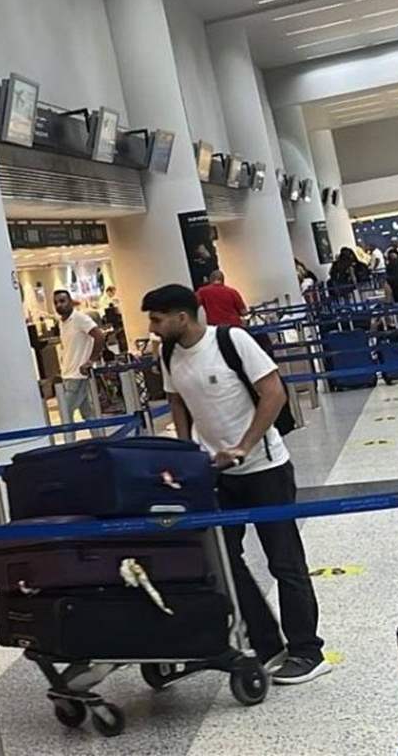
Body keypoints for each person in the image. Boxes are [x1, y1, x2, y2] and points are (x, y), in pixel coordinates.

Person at [143, 284, 327, 685]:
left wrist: (245, 445)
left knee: (284, 561)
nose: (152, 328)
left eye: (157, 319)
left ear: (181, 317)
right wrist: (186, 451)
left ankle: (307, 650)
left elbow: (273, 393)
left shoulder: (232, 341)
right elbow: (178, 401)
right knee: (223, 560)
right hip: (216, 475)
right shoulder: (169, 353)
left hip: (266, 469)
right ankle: (267, 644)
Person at [52, 290, 106, 429]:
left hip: (77, 375)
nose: (59, 305)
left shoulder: (80, 319)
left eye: (62, 301)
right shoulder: (62, 323)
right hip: (67, 374)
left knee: (66, 413)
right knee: (88, 414)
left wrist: (91, 360)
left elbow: (99, 336)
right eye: (56, 302)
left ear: (71, 302)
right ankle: (99, 439)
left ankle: (69, 442)